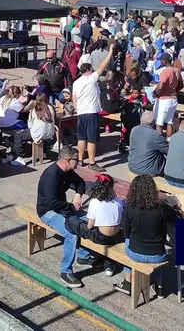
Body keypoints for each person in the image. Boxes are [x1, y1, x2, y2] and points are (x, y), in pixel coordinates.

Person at [35, 145, 96, 288]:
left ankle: (83, 255)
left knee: (88, 219)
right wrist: (71, 207)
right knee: (71, 234)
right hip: (47, 211)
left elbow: (80, 183)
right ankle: (65, 271)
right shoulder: (52, 175)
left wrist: (77, 194)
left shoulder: (68, 171)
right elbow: (51, 202)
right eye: (77, 159)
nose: (79, 162)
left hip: (62, 207)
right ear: (68, 160)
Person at [112, 175, 179, 296]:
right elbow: (175, 220)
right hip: (157, 255)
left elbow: (126, 233)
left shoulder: (130, 207)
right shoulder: (161, 208)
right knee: (159, 248)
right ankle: (159, 286)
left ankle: (127, 281)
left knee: (127, 241)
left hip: (135, 253)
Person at [64, 174, 124, 276]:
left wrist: (84, 228)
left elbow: (90, 226)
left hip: (101, 237)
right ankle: (107, 263)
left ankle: (83, 255)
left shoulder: (95, 202)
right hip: (117, 236)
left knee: (72, 222)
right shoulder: (117, 200)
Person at [71, 44, 114, 172]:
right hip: (91, 113)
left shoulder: (76, 82)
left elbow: (74, 98)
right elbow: (102, 66)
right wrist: (110, 52)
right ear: (89, 70)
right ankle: (92, 162)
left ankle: (80, 160)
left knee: (81, 138)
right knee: (92, 139)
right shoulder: (91, 79)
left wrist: (77, 109)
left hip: (81, 113)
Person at [10, 93, 56, 165]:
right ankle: (44, 152)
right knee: (43, 131)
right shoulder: (51, 107)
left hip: (38, 133)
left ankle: (20, 158)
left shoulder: (35, 109)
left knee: (18, 136)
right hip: (50, 133)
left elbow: (30, 125)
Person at [127, 111, 169, 177]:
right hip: (148, 170)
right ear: (153, 122)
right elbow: (168, 150)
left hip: (132, 166)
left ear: (141, 119)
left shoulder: (134, 130)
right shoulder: (155, 135)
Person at [153, 53, 182, 137]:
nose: (160, 62)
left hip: (164, 99)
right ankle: (169, 140)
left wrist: (155, 93)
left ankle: (159, 142)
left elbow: (161, 86)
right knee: (169, 122)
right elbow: (181, 85)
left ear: (164, 61)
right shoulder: (176, 70)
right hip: (173, 99)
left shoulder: (165, 71)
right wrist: (174, 90)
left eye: (161, 60)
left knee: (159, 123)